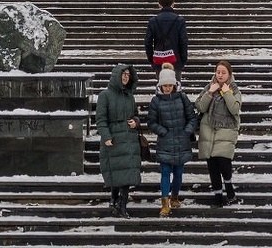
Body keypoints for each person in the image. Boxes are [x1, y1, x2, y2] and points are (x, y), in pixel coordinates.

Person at [149, 63, 199, 217]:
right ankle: (165, 203)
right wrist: (162, 131)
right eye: (165, 86)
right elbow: (151, 122)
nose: (168, 88)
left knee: (178, 173)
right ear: (161, 86)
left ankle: (175, 197)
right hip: (165, 142)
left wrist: (186, 131)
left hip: (181, 141)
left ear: (174, 84)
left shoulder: (183, 98)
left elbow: (192, 117)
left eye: (170, 85)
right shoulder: (156, 101)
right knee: (165, 173)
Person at [96, 62, 143, 218]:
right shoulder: (105, 95)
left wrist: (136, 121)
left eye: (128, 75)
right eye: (123, 74)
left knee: (128, 174)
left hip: (129, 139)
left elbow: (136, 114)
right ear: (117, 76)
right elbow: (101, 119)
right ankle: (116, 201)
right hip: (114, 139)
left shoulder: (130, 96)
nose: (125, 77)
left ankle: (121, 205)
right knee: (118, 173)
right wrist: (106, 136)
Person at [196, 59, 243, 207]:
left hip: (226, 130)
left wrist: (227, 93)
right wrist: (210, 92)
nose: (220, 75)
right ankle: (218, 196)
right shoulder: (210, 87)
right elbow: (200, 107)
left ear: (229, 75)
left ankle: (228, 187)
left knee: (224, 162)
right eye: (218, 72)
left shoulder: (234, 90)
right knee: (212, 165)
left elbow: (235, 109)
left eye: (223, 72)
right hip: (208, 129)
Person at [144, 0, 189, 75]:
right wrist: (183, 60)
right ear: (173, 4)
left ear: (159, 4)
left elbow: (147, 42)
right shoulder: (179, 21)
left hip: (159, 60)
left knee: (161, 86)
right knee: (175, 85)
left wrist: (151, 59)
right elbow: (183, 41)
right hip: (176, 60)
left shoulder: (153, 21)